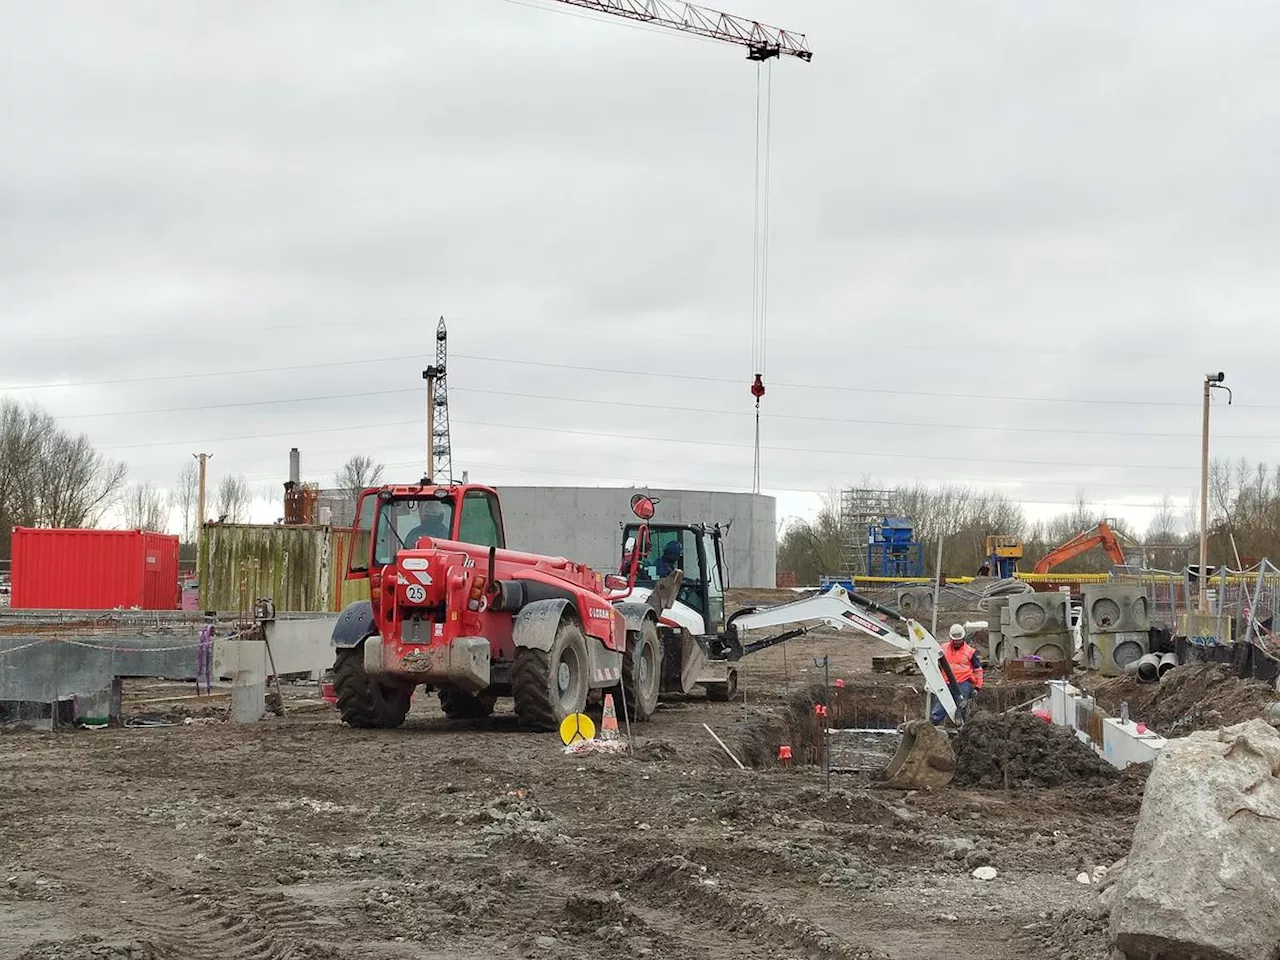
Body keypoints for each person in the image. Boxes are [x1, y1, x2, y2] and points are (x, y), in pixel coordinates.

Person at [930, 623, 984, 724]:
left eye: (959, 640)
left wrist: (977, 687)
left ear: (963, 638)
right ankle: (931, 726)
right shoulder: (943, 648)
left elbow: (978, 670)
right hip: (946, 682)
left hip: (963, 682)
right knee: (939, 707)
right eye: (955, 640)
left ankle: (963, 728)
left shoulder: (970, 651)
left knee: (961, 706)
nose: (957, 642)